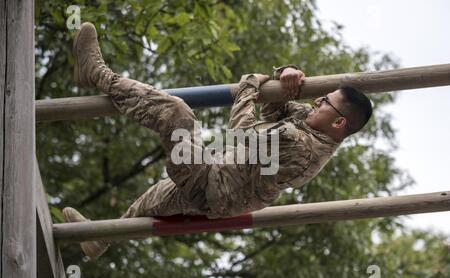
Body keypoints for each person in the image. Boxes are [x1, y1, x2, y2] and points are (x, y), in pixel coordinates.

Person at [63, 22, 373, 259]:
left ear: (339, 121)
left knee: (176, 113)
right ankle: (99, 240)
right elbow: (273, 107)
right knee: (155, 197)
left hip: (213, 186)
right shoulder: (315, 129)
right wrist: (286, 73)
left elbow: (242, 132)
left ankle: (97, 74)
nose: (317, 101)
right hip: (221, 189)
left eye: (324, 102)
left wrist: (250, 83)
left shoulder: (302, 146)